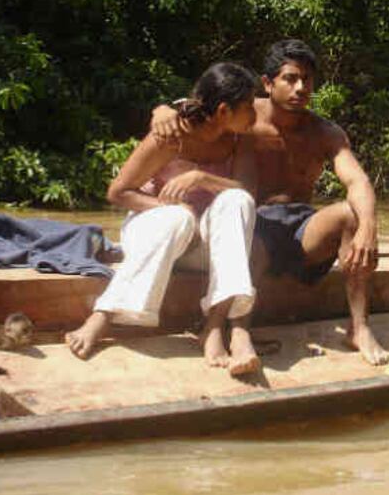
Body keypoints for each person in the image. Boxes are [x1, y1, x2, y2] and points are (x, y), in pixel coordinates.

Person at [153, 40, 388, 365]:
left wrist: (369, 227)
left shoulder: (324, 132)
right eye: (290, 78)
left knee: (352, 216)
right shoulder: (245, 116)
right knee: (248, 233)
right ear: (268, 83)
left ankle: (359, 327)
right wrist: (163, 110)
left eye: (307, 79)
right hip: (255, 226)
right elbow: (202, 110)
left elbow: (357, 180)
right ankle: (233, 330)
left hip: (301, 229)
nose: (300, 87)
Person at [66, 62, 262, 375]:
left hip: (203, 247)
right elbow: (118, 192)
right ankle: (102, 316)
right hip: (158, 233)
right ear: (224, 110)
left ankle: (213, 327)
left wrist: (201, 178)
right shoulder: (170, 133)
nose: (255, 113)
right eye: (249, 106)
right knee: (176, 218)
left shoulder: (240, 139)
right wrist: (166, 206)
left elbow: (247, 192)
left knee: (237, 199)